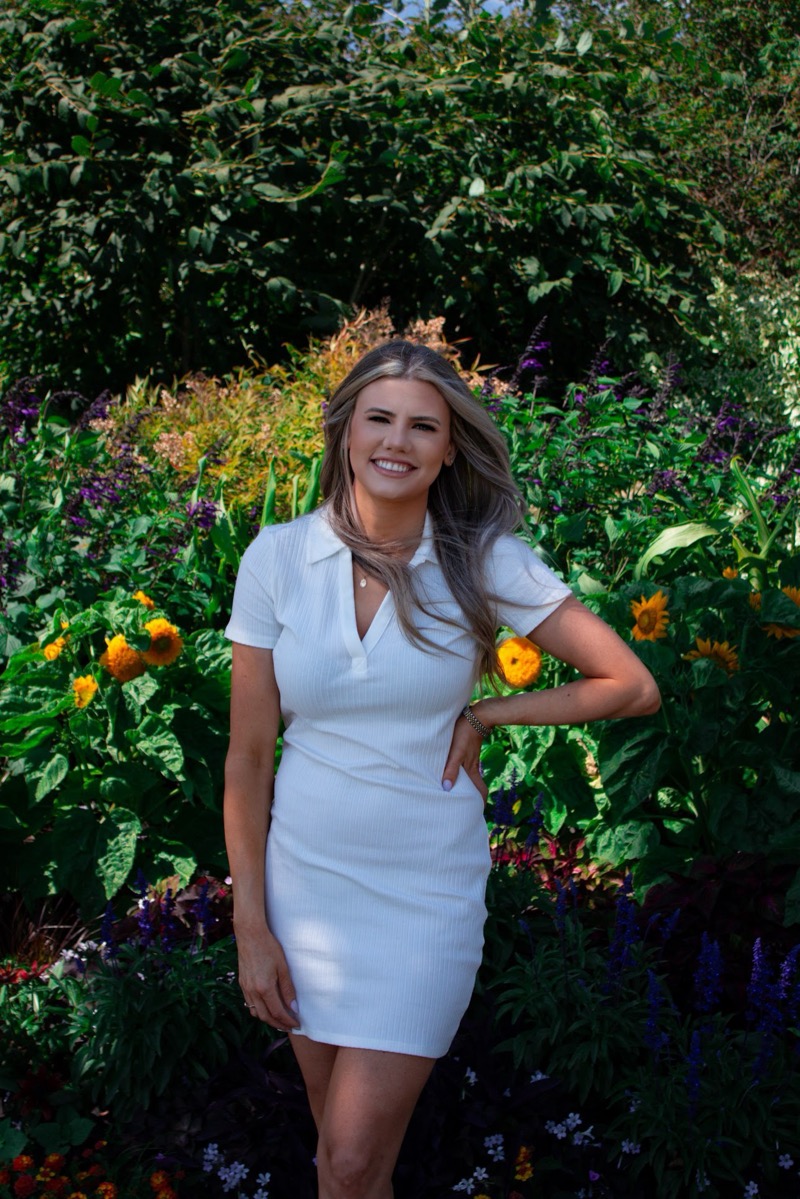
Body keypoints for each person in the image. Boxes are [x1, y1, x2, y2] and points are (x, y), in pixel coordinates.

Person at [223, 339, 660, 1199]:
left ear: (451, 446)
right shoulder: (276, 558)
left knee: (348, 1160)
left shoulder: (481, 560)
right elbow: (246, 754)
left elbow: (630, 683)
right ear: (346, 429)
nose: (399, 440)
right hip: (304, 886)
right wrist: (251, 921)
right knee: (346, 1167)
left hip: (424, 890)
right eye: (380, 417)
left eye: (424, 425)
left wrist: (491, 710)